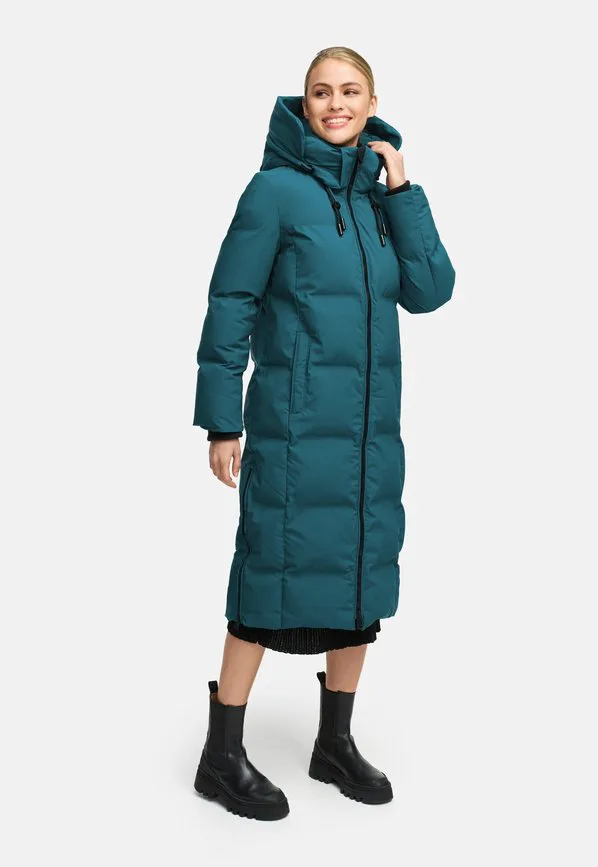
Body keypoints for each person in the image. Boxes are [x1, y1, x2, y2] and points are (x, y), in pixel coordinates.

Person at [191, 46, 455, 820]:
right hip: (294, 426)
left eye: (350, 91)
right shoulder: (274, 191)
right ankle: (220, 753)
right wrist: (222, 419)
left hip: (369, 432)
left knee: (358, 579)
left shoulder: (379, 197)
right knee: (267, 576)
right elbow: (231, 301)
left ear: (372, 102)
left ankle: (333, 742)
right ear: (303, 105)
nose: (335, 104)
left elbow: (431, 289)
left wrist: (402, 191)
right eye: (321, 92)